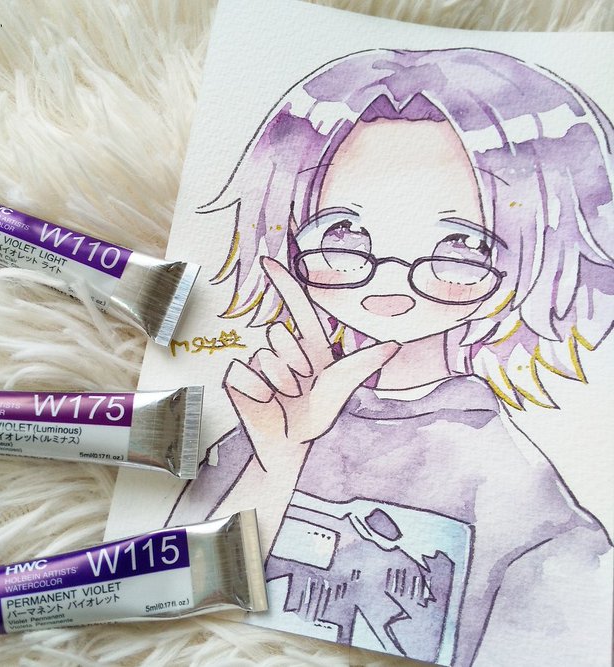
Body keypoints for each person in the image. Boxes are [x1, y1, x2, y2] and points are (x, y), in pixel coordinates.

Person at [168, 49, 614, 666]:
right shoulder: (258, 438)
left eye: (460, 244)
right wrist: (278, 461)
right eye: (344, 233)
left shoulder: (525, 508)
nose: (389, 278)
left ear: (538, 255)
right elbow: (166, 600)